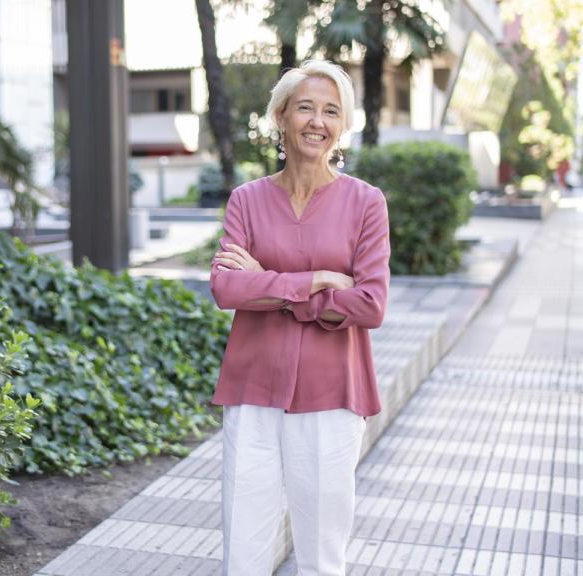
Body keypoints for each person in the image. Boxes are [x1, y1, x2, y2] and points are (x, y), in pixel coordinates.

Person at [209, 59, 390, 576]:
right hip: (252, 388)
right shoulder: (247, 199)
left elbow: (370, 304)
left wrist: (266, 284)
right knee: (242, 548)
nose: (318, 120)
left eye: (331, 110)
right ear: (281, 116)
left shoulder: (366, 203)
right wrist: (316, 281)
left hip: (332, 392)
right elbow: (225, 286)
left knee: (321, 553)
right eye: (306, 107)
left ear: (342, 125)